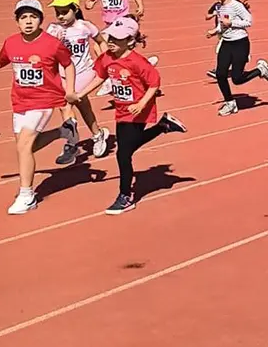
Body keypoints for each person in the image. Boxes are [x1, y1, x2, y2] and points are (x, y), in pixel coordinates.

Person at [77, 18, 186, 214]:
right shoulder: (107, 58)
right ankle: (163, 126)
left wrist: (141, 103)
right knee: (128, 146)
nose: (111, 41)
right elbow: (100, 77)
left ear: (130, 41)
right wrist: (81, 94)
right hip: (121, 110)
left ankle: (125, 196)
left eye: (117, 39)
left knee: (123, 153)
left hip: (139, 109)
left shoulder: (137, 62)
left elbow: (154, 83)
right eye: (110, 36)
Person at [0, 0, 75, 215]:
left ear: (41, 20)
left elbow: (68, 65)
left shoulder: (52, 43)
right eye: (24, 17)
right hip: (20, 100)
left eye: (33, 17)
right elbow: (1, 61)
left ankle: (27, 195)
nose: (29, 21)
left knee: (23, 145)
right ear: (17, 22)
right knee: (28, 148)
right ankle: (63, 131)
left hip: (44, 100)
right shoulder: (11, 42)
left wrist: (69, 90)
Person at [46, 0, 109, 163]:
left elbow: (101, 42)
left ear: (75, 9)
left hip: (83, 71)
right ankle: (98, 134)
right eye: (57, 12)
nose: (60, 16)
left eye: (64, 12)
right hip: (63, 74)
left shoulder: (85, 26)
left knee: (66, 102)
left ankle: (71, 144)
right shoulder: (53, 29)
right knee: (83, 106)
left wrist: (106, 62)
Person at [207, 0, 268, 116]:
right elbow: (222, 23)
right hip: (226, 43)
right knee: (220, 74)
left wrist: (231, 23)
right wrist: (215, 31)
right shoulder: (219, 6)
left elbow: (248, 21)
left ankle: (260, 70)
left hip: (240, 43)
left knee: (237, 79)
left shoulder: (236, 6)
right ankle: (230, 103)